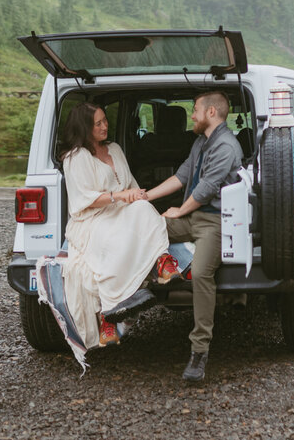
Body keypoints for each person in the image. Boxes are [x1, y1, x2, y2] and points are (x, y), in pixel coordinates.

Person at [56, 102, 181, 353]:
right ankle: (108, 314)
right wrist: (121, 196)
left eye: (105, 120)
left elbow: (131, 185)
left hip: (120, 210)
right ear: (84, 127)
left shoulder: (115, 149)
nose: (105, 126)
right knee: (116, 243)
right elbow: (84, 200)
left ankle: (162, 261)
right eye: (98, 123)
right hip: (91, 219)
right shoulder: (75, 158)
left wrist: (137, 197)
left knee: (145, 210)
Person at [143, 91, 243, 383]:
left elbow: (206, 189)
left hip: (215, 221)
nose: (192, 115)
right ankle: (134, 294)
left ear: (211, 112)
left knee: (201, 273)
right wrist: (145, 197)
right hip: (192, 216)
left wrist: (176, 211)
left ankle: (199, 351)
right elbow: (182, 176)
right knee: (145, 230)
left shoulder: (227, 146)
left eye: (195, 110)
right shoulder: (201, 142)